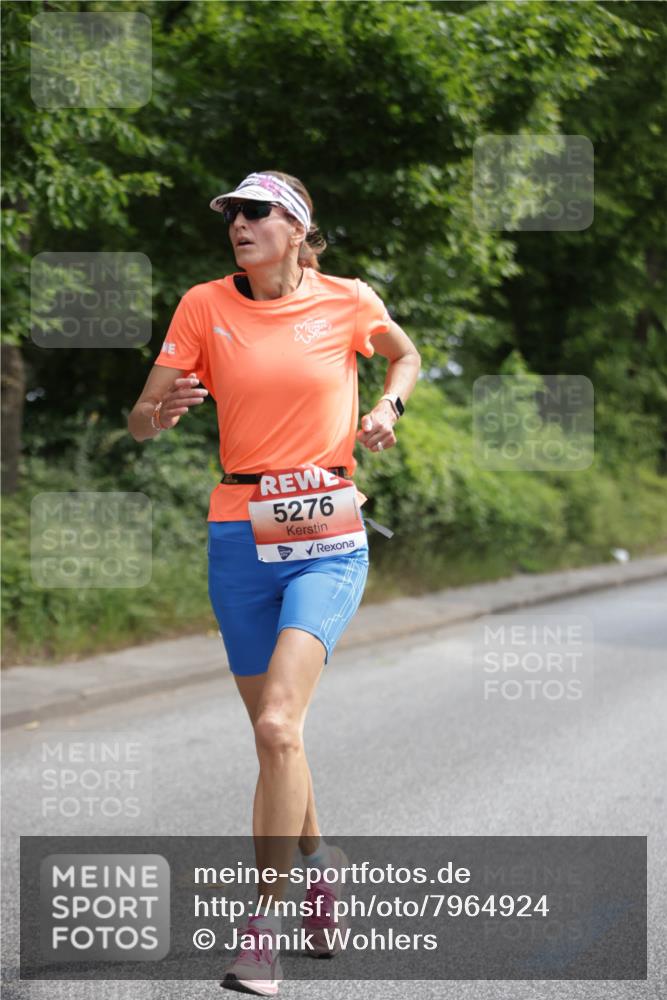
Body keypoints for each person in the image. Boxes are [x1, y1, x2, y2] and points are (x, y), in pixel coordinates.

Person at [128, 170, 421, 996]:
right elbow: (140, 419)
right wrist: (160, 413)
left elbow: (404, 355)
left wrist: (387, 410)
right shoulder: (202, 306)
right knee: (274, 735)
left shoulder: (346, 299)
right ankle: (321, 866)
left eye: (257, 212)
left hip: (327, 533)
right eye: (232, 213)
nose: (239, 223)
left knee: (277, 723)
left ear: (296, 227)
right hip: (238, 532)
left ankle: (262, 932)